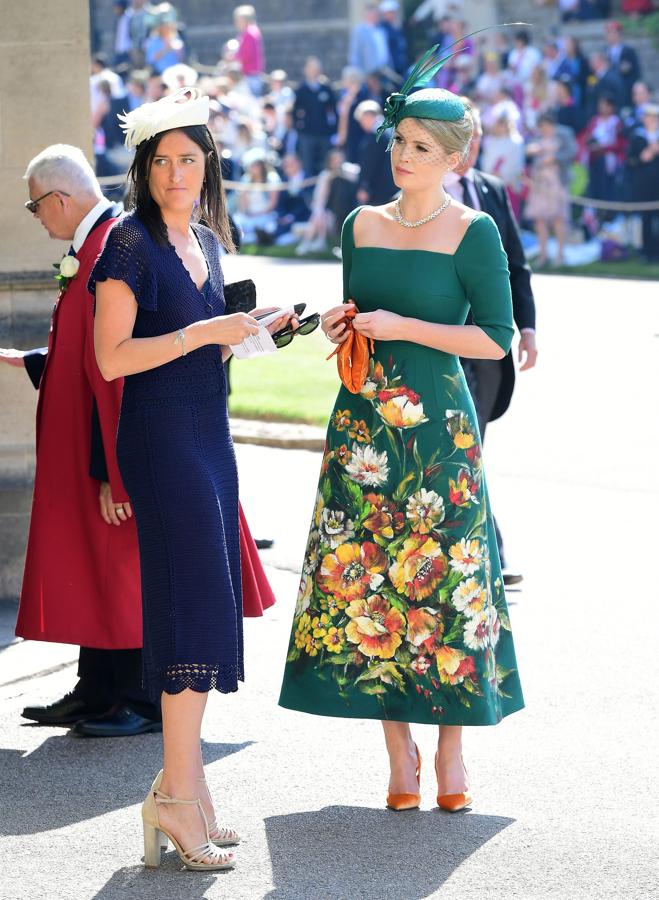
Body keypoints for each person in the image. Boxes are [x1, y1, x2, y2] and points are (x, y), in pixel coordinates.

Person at [279, 80, 524, 813]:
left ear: (455, 157)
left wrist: (405, 325)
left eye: (420, 146)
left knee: (447, 582)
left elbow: (495, 337)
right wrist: (340, 323)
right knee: (367, 580)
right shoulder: (358, 223)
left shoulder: (473, 229)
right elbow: (360, 317)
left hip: (441, 431)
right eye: (398, 141)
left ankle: (450, 744)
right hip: (362, 423)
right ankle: (398, 749)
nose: (402, 155)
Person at [90, 88, 293, 872]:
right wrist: (201, 330)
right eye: (162, 160)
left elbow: (202, 346)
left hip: (208, 431)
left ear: (208, 163)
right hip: (159, 438)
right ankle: (177, 798)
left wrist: (250, 330)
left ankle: (187, 789)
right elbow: (112, 359)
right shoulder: (127, 245)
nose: (177, 170)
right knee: (187, 603)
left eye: (189, 157)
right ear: (144, 168)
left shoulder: (204, 237)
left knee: (206, 604)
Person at [0, 145, 161, 737]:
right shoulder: (91, 247)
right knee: (98, 569)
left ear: (59, 198)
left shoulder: (114, 249)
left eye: (35, 205)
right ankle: (97, 691)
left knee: (122, 570)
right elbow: (84, 353)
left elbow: (117, 372)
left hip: (109, 448)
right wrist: (35, 360)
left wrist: (114, 472)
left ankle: (141, 702)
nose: (36, 218)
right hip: (85, 445)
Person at [445, 103, 537, 584]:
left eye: (477, 139)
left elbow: (515, 263)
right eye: (466, 138)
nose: (471, 149)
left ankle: (481, 553)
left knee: (472, 445)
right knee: (465, 447)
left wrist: (528, 327)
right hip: (442, 341)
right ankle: (487, 555)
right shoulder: (417, 193)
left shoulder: (491, 190)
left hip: (490, 343)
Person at [525, 112, 577, 266]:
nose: (544, 129)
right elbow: (527, 151)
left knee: (559, 218)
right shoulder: (537, 136)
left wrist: (555, 158)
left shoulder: (565, 133)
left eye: (546, 126)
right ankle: (543, 255)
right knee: (539, 219)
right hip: (540, 181)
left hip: (557, 180)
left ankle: (560, 255)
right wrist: (531, 150)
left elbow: (571, 151)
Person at [293, 56, 338, 177]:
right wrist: (299, 128)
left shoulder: (326, 88)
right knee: (308, 165)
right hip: (307, 134)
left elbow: (334, 110)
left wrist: (333, 129)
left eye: (317, 68)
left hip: (324, 134)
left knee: (325, 165)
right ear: (306, 70)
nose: (314, 71)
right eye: (312, 68)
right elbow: (294, 112)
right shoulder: (301, 90)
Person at [626, 104, 659, 261]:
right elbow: (629, 161)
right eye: (649, 117)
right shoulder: (637, 136)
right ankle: (646, 252)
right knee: (646, 218)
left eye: (655, 118)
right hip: (644, 185)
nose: (651, 121)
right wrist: (641, 158)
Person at [354, 99, 397, 206]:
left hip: (380, 189)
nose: (361, 124)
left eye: (362, 120)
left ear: (368, 116)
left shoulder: (376, 136)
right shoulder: (391, 130)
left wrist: (363, 186)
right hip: (394, 185)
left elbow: (369, 164)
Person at [604, 20, 641, 107]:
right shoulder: (604, 52)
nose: (611, 35)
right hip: (609, 92)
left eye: (614, 32)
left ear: (620, 34)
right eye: (609, 33)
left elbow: (636, 71)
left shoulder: (629, 51)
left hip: (626, 90)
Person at [348, 3, 391, 76]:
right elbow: (354, 54)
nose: (374, 17)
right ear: (367, 15)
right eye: (371, 14)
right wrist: (359, 73)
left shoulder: (382, 30)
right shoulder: (359, 31)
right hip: (368, 74)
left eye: (376, 14)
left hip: (384, 71)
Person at [233, 4, 265, 95]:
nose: (236, 23)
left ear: (245, 20)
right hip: (252, 75)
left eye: (238, 20)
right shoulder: (252, 31)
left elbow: (246, 55)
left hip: (250, 76)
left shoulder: (249, 33)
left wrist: (232, 58)